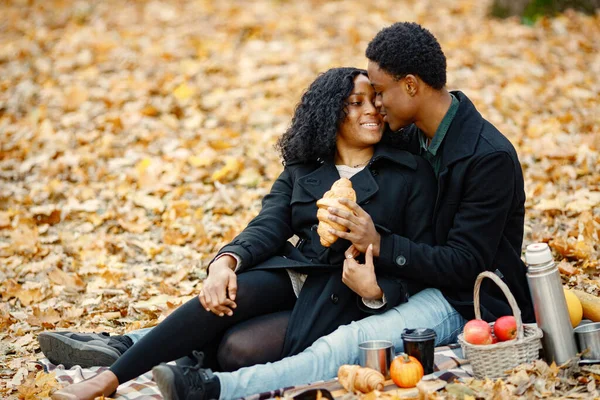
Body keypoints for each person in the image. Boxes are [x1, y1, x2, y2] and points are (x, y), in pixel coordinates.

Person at [150, 21, 535, 400]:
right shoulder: (413, 133)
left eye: (380, 92)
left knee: (351, 341)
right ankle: (131, 348)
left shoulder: (489, 157)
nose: (377, 107)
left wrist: (380, 253)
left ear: (412, 86)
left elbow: (466, 265)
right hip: (399, 277)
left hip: (465, 298)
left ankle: (219, 389)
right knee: (245, 296)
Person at [49, 67, 437, 400]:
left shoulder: (409, 173)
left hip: (342, 294)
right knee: (224, 293)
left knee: (237, 348)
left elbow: (420, 254)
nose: (372, 110)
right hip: (292, 275)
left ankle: (183, 362)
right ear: (330, 113)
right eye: (356, 102)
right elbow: (267, 226)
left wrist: (376, 292)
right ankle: (110, 377)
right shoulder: (302, 172)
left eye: (375, 101)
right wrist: (224, 261)